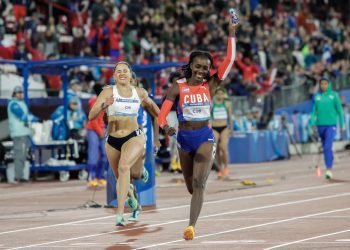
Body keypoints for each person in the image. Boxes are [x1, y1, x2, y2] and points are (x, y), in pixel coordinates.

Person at [158, 16, 237, 240]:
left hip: (204, 136)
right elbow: (162, 117)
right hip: (183, 139)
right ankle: (197, 200)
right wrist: (166, 128)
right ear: (191, 66)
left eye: (207, 67)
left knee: (199, 183)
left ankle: (191, 226)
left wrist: (231, 33)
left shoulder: (210, 85)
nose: (203, 70)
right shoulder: (177, 87)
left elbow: (230, 60)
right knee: (191, 188)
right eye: (199, 66)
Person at [88, 61, 160, 226]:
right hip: (112, 140)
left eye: (125, 71)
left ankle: (120, 213)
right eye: (118, 71)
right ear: (113, 76)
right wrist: (104, 105)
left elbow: (157, 112)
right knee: (122, 179)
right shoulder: (107, 91)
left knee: (124, 167)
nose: (122, 73)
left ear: (130, 74)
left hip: (133, 136)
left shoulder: (140, 93)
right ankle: (133, 199)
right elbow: (91, 116)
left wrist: (161, 133)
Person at [310, 77, 344, 179]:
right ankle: (330, 159)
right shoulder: (317, 97)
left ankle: (329, 169)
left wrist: (342, 125)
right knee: (326, 148)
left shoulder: (334, 96)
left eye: (325, 84)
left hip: (331, 125)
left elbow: (340, 111)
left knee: (327, 147)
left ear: (329, 84)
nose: (323, 86)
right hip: (320, 126)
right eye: (322, 84)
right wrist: (312, 122)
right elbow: (314, 111)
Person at [7, 86, 39, 183]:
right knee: (19, 155)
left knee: (24, 155)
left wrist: (33, 118)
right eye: (18, 93)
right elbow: (22, 116)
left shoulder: (22, 103)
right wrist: (35, 118)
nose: (20, 94)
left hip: (24, 132)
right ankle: (18, 177)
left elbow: (27, 115)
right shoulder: (13, 104)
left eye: (21, 92)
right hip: (18, 133)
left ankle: (21, 175)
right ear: (14, 94)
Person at [86, 84, 107, 187]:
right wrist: (100, 132)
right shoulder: (94, 102)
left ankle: (100, 176)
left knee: (104, 154)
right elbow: (93, 119)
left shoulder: (107, 101)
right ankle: (91, 176)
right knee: (93, 154)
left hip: (102, 130)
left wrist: (104, 129)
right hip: (93, 130)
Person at [211, 87, 233, 178]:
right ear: (215, 95)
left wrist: (231, 128)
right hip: (214, 127)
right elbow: (208, 115)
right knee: (216, 149)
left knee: (223, 148)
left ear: (223, 95)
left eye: (221, 94)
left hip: (224, 127)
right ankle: (220, 168)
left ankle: (226, 167)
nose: (220, 95)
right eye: (218, 94)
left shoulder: (227, 103)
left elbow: (230, 117)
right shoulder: (212, 104)